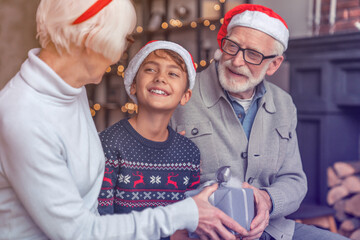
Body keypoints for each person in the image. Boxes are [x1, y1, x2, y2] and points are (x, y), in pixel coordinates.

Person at [0, 0, 247, 239]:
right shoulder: (24, 116)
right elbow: (78, 233)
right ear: (92, 39)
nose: (119, 55)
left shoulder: (70, 88)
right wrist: (185, 213)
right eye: (123, 40)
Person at [170, 4, 349, 240]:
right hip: (203, 233)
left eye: (253, 54)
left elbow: (294, 180)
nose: (236, 61)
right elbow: (149, 180)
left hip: (271, 229)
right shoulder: (181, 95)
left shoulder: (284, 104)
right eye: (232, 46)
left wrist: (267, 200)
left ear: (274, 64)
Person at [97, 41, 201, 240]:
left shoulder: (190, 153)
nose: (160, 78)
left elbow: (190, 223)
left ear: (185, 96)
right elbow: (101, 222)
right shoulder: (109, 144)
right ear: (133, 85)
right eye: (151, 69)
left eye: (173, 73)